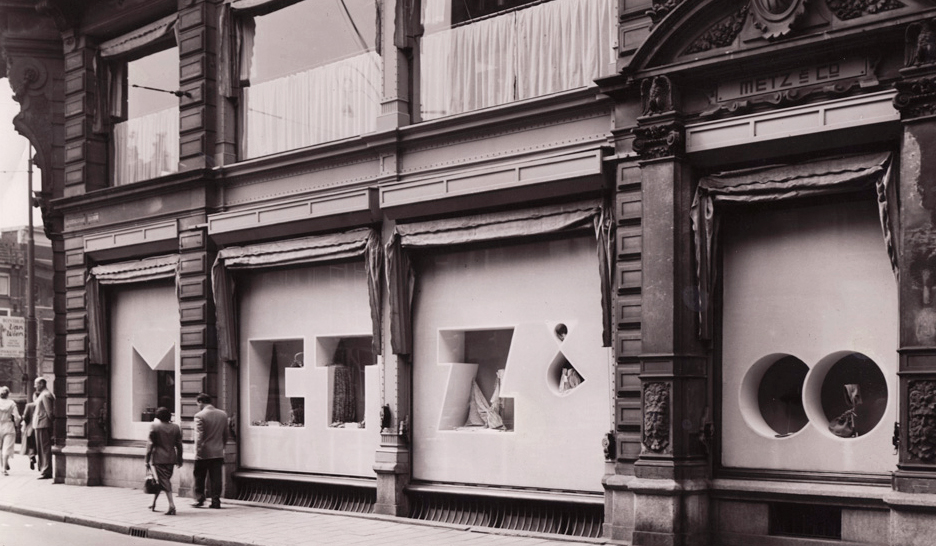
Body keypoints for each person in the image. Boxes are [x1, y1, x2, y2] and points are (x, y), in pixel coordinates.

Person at [192, 393, 228, 509]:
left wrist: (197, 452)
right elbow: (225, 434)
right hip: (218, 451)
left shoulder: (199, 416)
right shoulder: (223, 414)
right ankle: (216, 501)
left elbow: (199, 436)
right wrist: (222, 446)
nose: (198, 406)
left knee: (199, 476)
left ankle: (199, 499)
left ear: (200, 402)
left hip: (204, 452)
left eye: (197, 404)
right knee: (216, 477)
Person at [144, 407, 183, 515]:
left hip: (159, 458)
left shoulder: (154, 426)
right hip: (171, 458)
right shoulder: (176, 427)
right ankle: (153, 503)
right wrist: (180, 458)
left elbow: (150, 445)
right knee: (163, 481)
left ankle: (171, 505)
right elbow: (179, 445)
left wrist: (146, 460)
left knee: (164, 481)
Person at [33, 377, 54, 480]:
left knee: (44, 448)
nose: (35, 386)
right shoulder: (43, 394)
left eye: (36, 384)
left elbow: (49, 411)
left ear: (41, 384)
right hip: (40, 424)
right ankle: (44, 469)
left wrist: (51, 425)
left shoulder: (46, 395)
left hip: (43, 424)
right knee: (42, 448)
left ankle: (46, 471)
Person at [0, 386, 22, 476]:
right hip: (8, 426)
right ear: (8, 394)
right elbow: (17, 417)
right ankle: (4, 468)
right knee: (6, 447)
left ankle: (2, 465)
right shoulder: (12, 403)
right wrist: (16, 424)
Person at [20, 395, 36, 471]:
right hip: (38, 428)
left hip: (30, 429)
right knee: (39, 446)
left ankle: (31, 457)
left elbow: (25, 417)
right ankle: (40, 465)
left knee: (30, 445)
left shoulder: (29, 405)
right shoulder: (42, 405)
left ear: (34, 397)